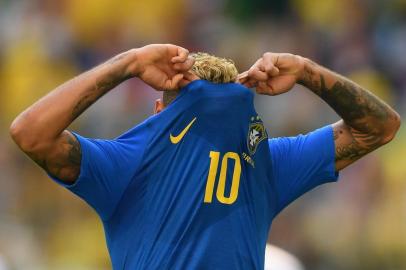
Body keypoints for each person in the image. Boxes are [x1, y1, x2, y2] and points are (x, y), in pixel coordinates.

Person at [10, 44, 400, 269]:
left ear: (159, 112)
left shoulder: (128, 163)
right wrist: (306, 70)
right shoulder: (267, 162)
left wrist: (128, 63)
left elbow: (30, 133)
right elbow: (379, 127)